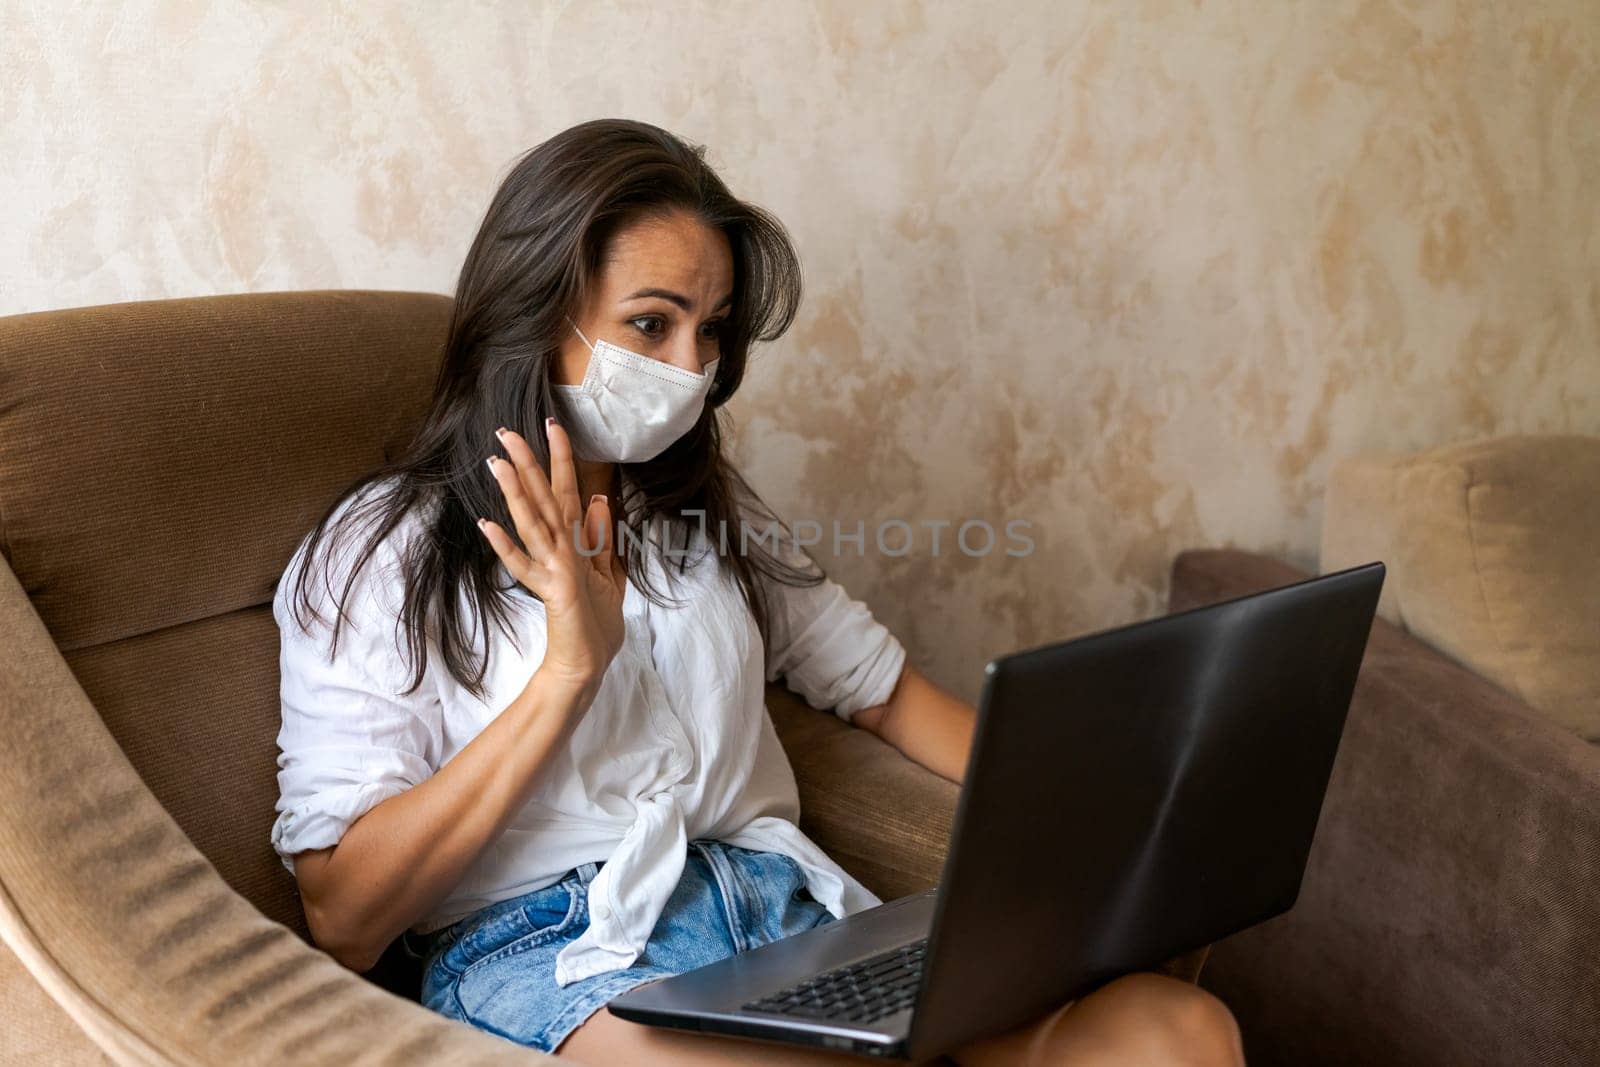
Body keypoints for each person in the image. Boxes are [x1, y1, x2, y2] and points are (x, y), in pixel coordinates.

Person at [270, 118, 1243, 1066]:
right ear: (531, 312)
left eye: (711, 329)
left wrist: (1086, 811)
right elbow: (346, 916)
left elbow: (880, 687)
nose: (691, 369)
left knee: (1174, 1032)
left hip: (780, 914)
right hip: (554, 950)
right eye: (650, 323)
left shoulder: (703, 511)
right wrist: (569, 670)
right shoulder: (384, 549)